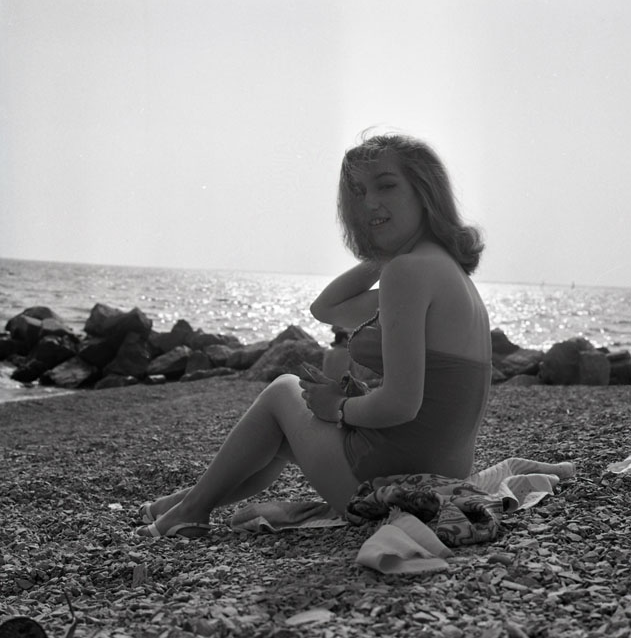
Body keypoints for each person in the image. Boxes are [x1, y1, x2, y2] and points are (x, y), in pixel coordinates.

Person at [136, 132, 491, 538]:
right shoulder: (440, 270)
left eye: (386, 186)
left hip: (397, 483)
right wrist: (385, 251)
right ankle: (183, 503)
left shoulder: (408, 273)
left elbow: (401, 404)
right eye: (358, 193)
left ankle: (190, 513)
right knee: (274, 437)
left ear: (425, 192)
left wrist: (338, 407)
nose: (368, 203)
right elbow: (328, 309)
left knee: (282, 390)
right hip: (441, 473)